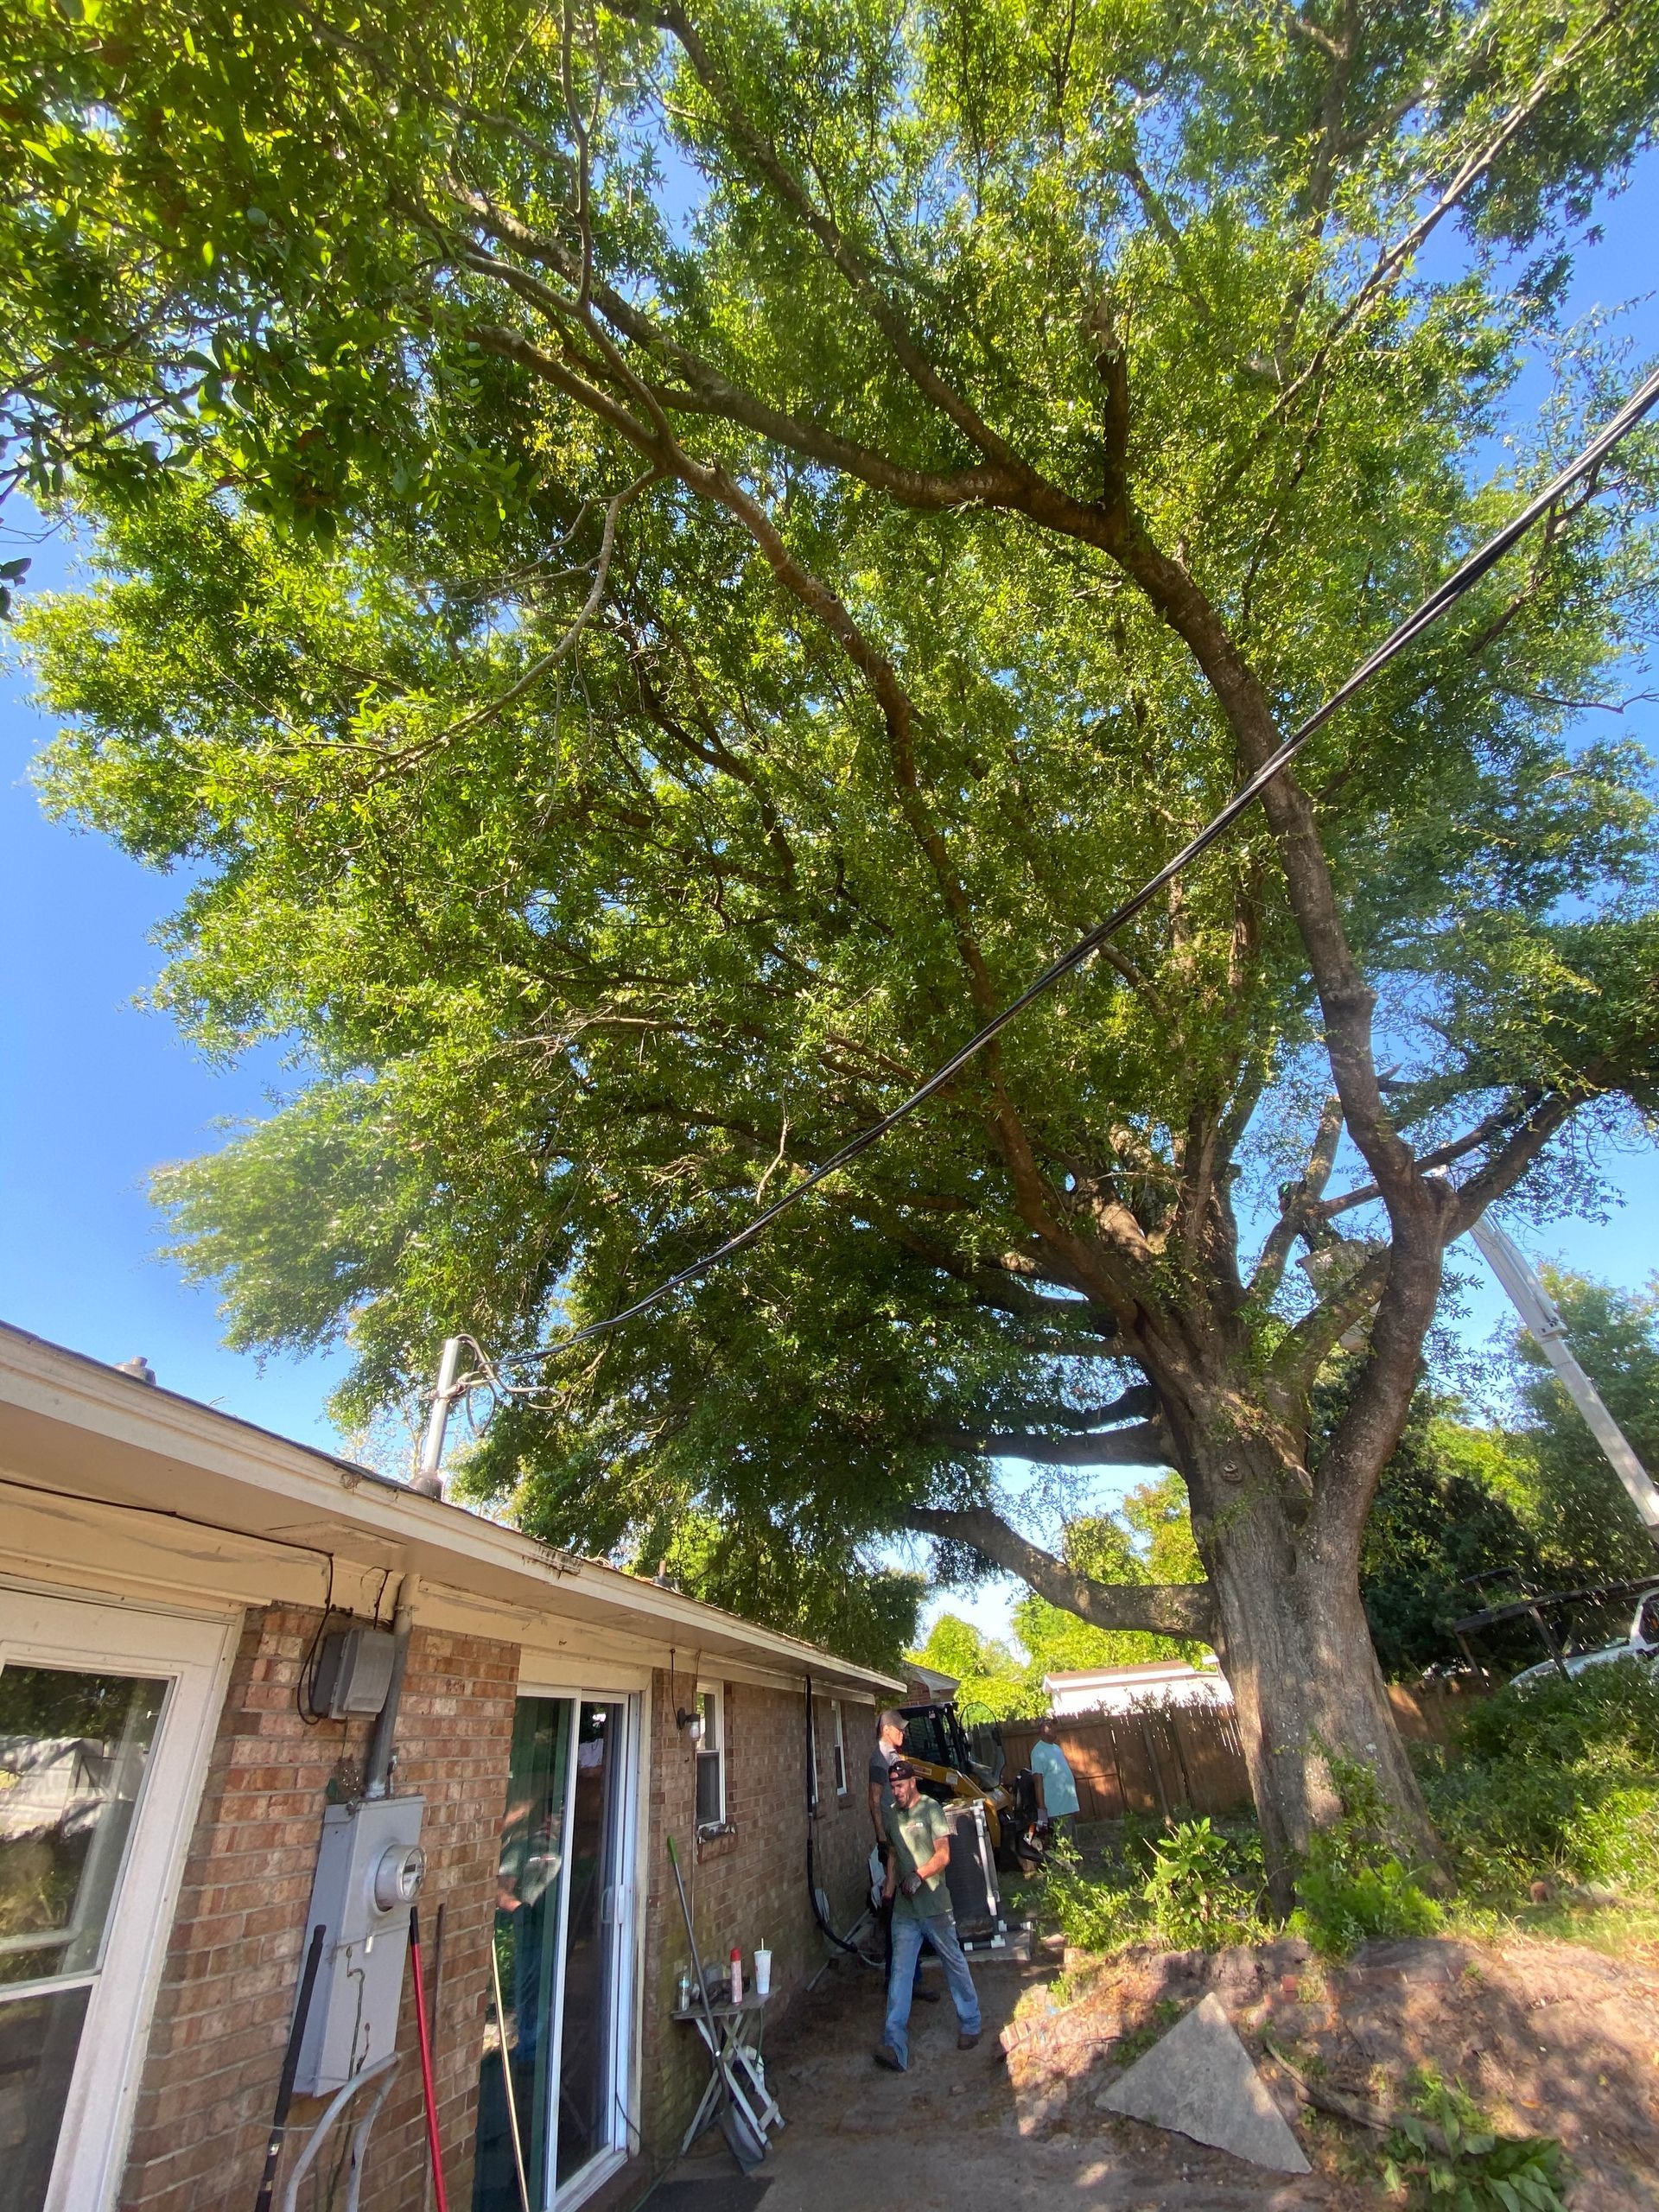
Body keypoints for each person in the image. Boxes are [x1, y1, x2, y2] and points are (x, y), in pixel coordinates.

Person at [874, 1762, 982, 2071]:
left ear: (912, 1782)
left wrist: (919, 1876)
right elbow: (894, 1853)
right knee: (900, 1973)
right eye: (892, 1787)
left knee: (954, 1963)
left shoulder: (931, 1809)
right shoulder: (892, 1814)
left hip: (935, 1906)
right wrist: (889, 1889)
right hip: (905, 1912)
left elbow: (944, 1855)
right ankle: (895, 2046)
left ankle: (971, 2023)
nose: (896, 1792)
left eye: (900, 1786)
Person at [868, 1710, 935, 2003]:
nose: (902, 1734)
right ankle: (900, 1980)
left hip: (906, 1842)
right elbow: (873, 1800)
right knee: (901, 1910)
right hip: (893, 1845)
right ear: (886, 1730)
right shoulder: (879, 1760)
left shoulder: (896, 1758)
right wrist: (883, 1839)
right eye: (899, 1730)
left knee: (910, 1907)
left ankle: (909, 1976)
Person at [1029, 1715, 1079, 1837]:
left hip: (1067, 1807)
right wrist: (1042, 1812)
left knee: (1073, 1848)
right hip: (1056, 1810)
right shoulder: (1038, 1752)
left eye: (1054, 1726)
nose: (1054, 1729)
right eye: (1049, 1726)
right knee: (1064, 1850)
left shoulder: (1056, 1748)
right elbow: (1038, 1782)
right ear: (1041, 1729)